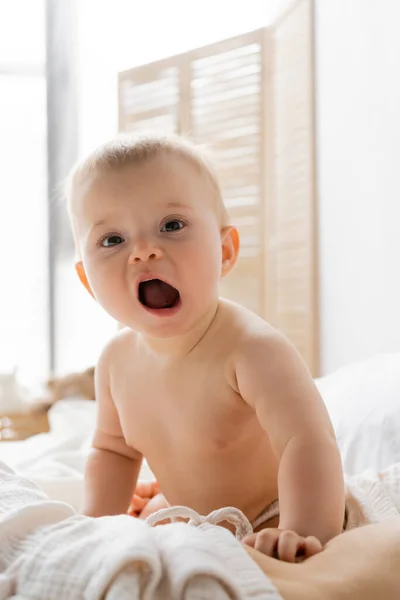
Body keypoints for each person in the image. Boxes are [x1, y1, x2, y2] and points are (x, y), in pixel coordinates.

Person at [66, 132, 345, 562]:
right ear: (88, 282)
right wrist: (94, 526)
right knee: (152, 522)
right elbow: (114, 451)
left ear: (226, 250)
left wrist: (302, 532)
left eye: (172, 226)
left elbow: (306, 443)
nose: (143, 251)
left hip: (273, 515)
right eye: (112, 240)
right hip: (193, 519)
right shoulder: (115, 362)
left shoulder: (252, 350)